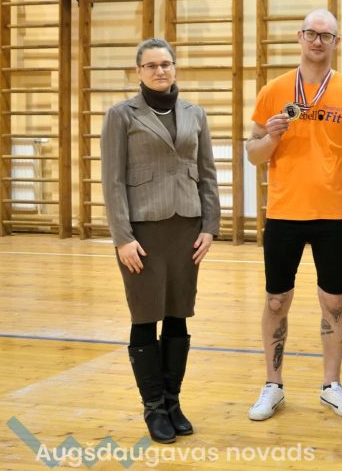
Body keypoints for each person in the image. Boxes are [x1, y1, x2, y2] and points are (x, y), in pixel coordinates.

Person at [245, 9, 342, 421]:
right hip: (283, 214)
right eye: (311, 34)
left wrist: (340, 180)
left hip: (332, 217)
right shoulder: (274, 91)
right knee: (276, 302)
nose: (318, 41)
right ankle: (273, 385)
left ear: (337, 42)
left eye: (326, 35)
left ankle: (331, 385)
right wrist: (271, 138)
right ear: (299, 37)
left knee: (333, 302)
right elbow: (253, 154)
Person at [101, 37, 220, 444]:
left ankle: (173, 402)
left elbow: (207, 174)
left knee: (177, 316)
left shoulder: (194, 114)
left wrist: (209, 226)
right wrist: (122, 237)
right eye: (151, 65)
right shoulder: (122, 115)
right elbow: (113, 181)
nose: (160, 71)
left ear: (174, 68)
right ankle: (153, 406)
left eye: (165, 64)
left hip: (186, 230)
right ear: (139, 72)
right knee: (144, 316)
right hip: (142, 234)